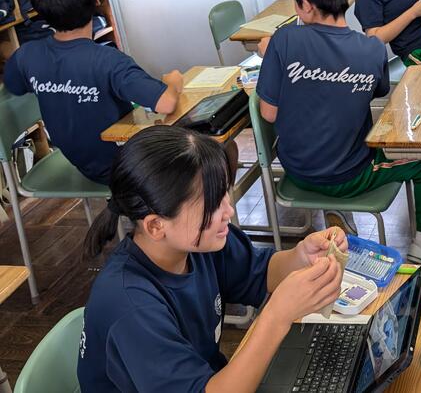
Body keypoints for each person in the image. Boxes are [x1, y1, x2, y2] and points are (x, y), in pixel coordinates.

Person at [78, 126, 345, 392]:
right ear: (156, 226)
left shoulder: (201, 245)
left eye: (224, 193)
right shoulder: (130, 306)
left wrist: (301, 256)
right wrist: (277, 316)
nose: (229, 211)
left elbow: (260, 271)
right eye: (212, 204)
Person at [257, 0, 421, 261]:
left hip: (296, 170)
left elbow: (268, 113)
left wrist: (272, 55)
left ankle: (339, 218)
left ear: (305, 5)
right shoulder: (372, 49)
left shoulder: (283, 40)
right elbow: (377, 93)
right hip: (349, 175)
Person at [2, 0, 183, 185]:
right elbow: (167, 103)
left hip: (83, 164)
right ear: (96, 0)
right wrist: (173, 82)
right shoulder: (108, 60)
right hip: (127, 165)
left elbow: (14, 85)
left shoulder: (26, 55)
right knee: (205, 143)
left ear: (39, 11)